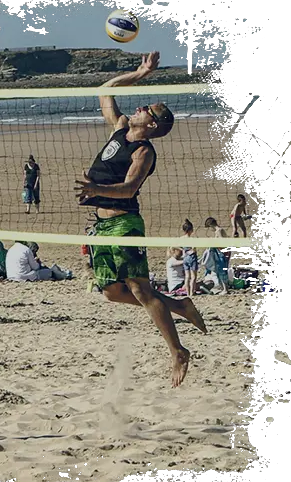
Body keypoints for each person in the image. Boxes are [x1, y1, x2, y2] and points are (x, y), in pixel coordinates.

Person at [73, 51, 206, 388]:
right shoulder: (120, 129)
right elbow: (105, 89)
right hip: (102, 225)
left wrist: (95, 186)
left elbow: (130, 189)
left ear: (152, 125)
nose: (139, 108)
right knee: (112, 293)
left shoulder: (144, 152)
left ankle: (177, 351)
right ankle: (180, 305)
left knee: (140, 289)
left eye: (146, 110)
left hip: (124, 223)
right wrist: (140, 72)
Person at [181, 219, 199, 297]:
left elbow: (176, 246)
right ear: (191, 230)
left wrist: (185, 252)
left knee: (187, 276)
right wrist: (190, 252)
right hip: (192, 257)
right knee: (193, 276)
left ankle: (188, 293)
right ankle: (192, 293)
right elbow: (194, 249)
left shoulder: (181, 238)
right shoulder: (192, 239)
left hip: (185, 258)